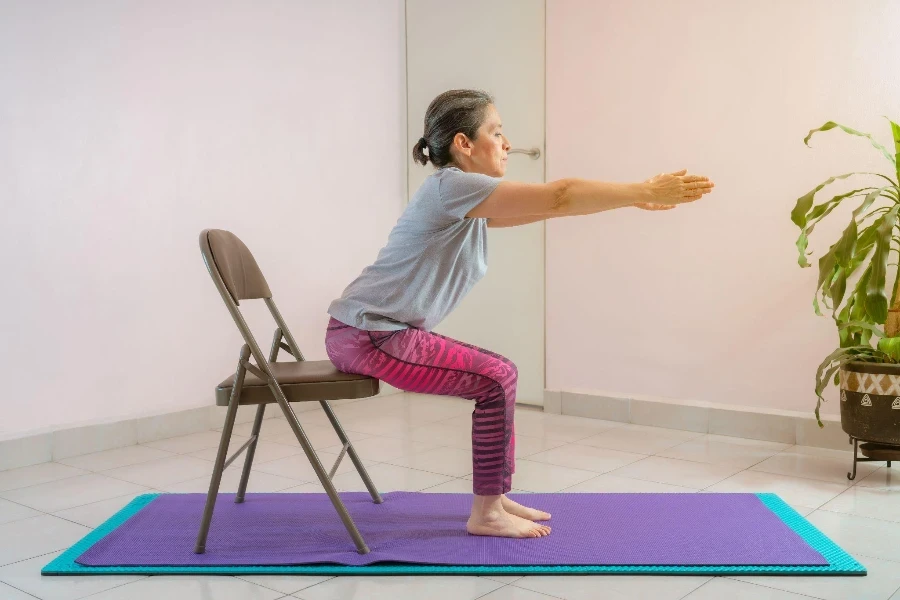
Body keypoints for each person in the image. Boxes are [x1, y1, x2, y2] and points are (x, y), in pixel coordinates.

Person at [325, 89, 714, 539]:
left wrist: (628, 200)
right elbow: (560, 196)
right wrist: (641, 189)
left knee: (499, 376)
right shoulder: (450, 186)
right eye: (497, 132)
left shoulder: (462, 201)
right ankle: (486, 511)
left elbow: (550, 206)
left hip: (369, 332)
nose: (507, 143)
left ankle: (495, 498)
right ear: (463, 144)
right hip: (368, 334)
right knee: (496, 378)